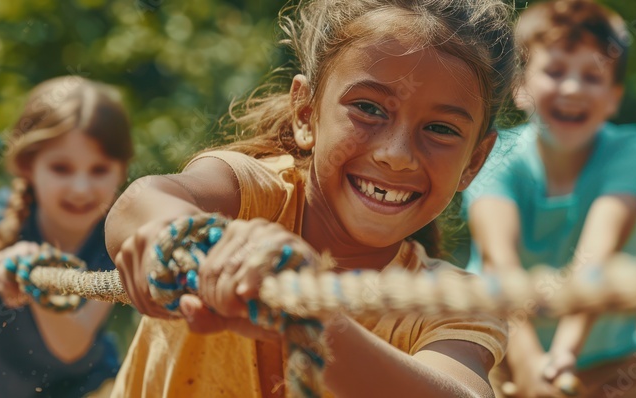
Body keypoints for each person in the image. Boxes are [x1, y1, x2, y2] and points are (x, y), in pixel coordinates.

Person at [103, 0, 518, 396]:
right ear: (306, 114)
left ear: (473, 162)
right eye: (369, 108)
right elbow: (144, 200)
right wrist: (180, 238)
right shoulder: (254, 196)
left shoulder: (451, 304)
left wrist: (310, 317)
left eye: (441, 129)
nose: (396, 155)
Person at [455, 0, 636, 396]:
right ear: (519, 87)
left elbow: (596, 257)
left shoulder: (632, 151)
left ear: (614, 96)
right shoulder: (494, 155)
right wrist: (532, 364)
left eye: (592, 75)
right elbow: (501, 264)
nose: (571, 87)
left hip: (609, 360)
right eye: (554, 71)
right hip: (501, 345)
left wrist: (562, 356)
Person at [0, 76, 134, 397]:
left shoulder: (115, 235)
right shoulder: (6, 215)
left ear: (121, 171)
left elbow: (70, 346)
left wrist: (36, 280)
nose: (80, 188)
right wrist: (7, 261)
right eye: (61, 168)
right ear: (27, 165)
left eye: (99, 170)